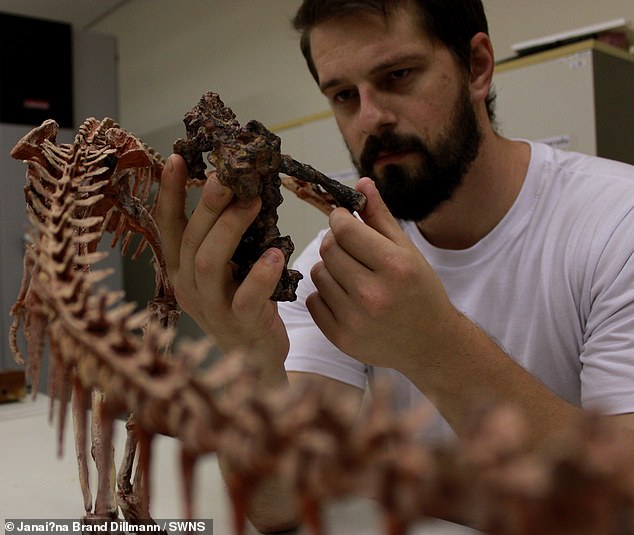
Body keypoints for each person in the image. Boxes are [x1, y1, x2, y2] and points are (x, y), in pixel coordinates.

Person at [156, 0, 634, 531]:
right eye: (343, 95)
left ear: (477, 67)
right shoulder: (333, 260)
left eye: (398, 75)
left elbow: (620, 505)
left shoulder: (618, 224)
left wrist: (436, 347)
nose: (370, 119)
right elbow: (276, 504)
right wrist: (249, 355)